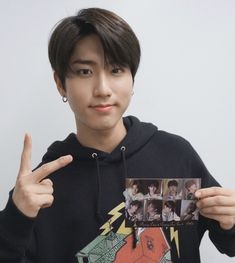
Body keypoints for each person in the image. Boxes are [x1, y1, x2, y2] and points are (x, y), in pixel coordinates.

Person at [0, 7, 234, 263]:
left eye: (116, 70)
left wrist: (230, 223)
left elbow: (229, 243)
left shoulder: (174, 155)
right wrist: (15, 218)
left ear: (132, 78)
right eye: (84, 72)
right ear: (60, 83)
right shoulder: (43, 190)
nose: (102, 89)